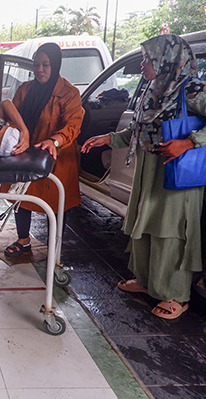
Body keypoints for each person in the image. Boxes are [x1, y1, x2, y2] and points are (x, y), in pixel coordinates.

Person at [81, 34, 206, 320]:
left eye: (148, 60)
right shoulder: (154, 89)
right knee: (145, 222)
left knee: (170, 231)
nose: (143, 66)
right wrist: (108, 139)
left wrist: (189, 142)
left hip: (177, 171)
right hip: (149, 167)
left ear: (167, 61)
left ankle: (175, 294)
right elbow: (139, 131)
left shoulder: (193, 91)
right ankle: (149, 281)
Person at [0, 42, 84, 258]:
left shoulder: (69, 92)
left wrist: (54, 140)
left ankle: (55, 248)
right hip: (27, 152)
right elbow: (11, 117)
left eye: (45, 65)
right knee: (22, 194)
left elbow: (73, 124)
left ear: (55, 65)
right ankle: (23, 240)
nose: (40, 69)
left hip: (57, 156)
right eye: (36, 65)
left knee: (57, 203)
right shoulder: (25, 90)